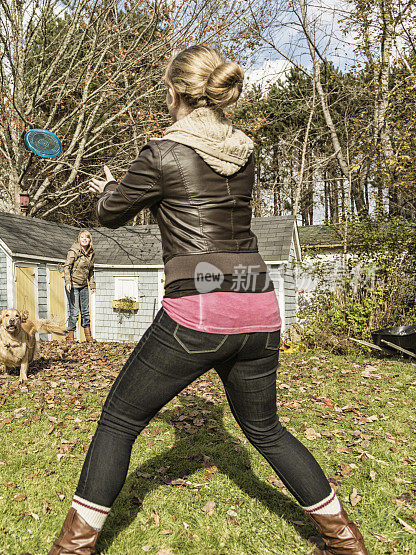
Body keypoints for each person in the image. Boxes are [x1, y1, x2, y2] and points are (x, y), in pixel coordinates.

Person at [48, 45, 367, 555]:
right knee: (266, 430)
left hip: (201, 307)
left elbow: (110, 214)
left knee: (120, 420)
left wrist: (109, 186)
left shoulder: (162, 153)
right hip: (260, 304)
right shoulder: (245, 150)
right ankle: (345, 540)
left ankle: (72, 548)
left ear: (173, 91)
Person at [63, 230, 96, 342]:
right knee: (75, 311)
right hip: (73, 285)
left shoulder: (91, 253)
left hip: (84, 285)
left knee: (85, 311)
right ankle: (70, 336)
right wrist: (68, 282)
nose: (84, 239)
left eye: (86, 237)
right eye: (82, 237)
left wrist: (92, 285)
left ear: (89, 240)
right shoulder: (74, 251)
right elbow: (67, 267)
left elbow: (91, 270)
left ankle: (88, 336)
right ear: (79, 239)